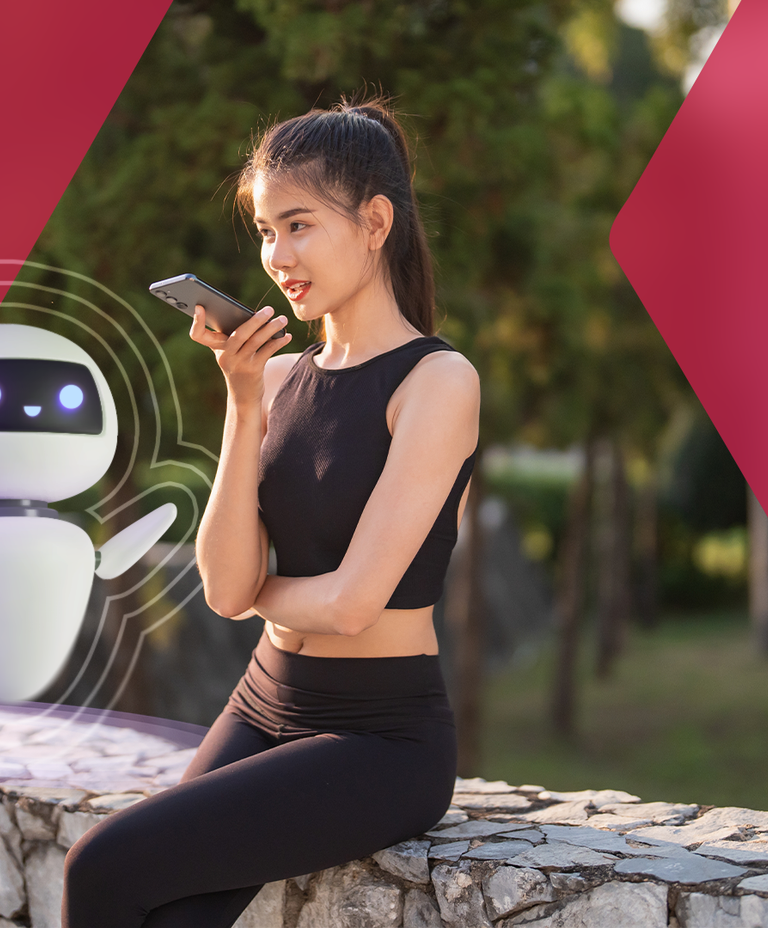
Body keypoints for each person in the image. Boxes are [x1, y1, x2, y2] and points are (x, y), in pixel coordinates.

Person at [61, 97, 480, 928]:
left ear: (375, 221)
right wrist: (243, 400)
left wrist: (260, 594)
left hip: (379, 740)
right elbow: (223, 582)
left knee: (101, 866)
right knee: (166, 911)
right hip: (261, 701)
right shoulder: (283, 380)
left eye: (298, 225)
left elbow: (354, 604)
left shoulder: (437, 381)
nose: (276, 256)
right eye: (264, 231)